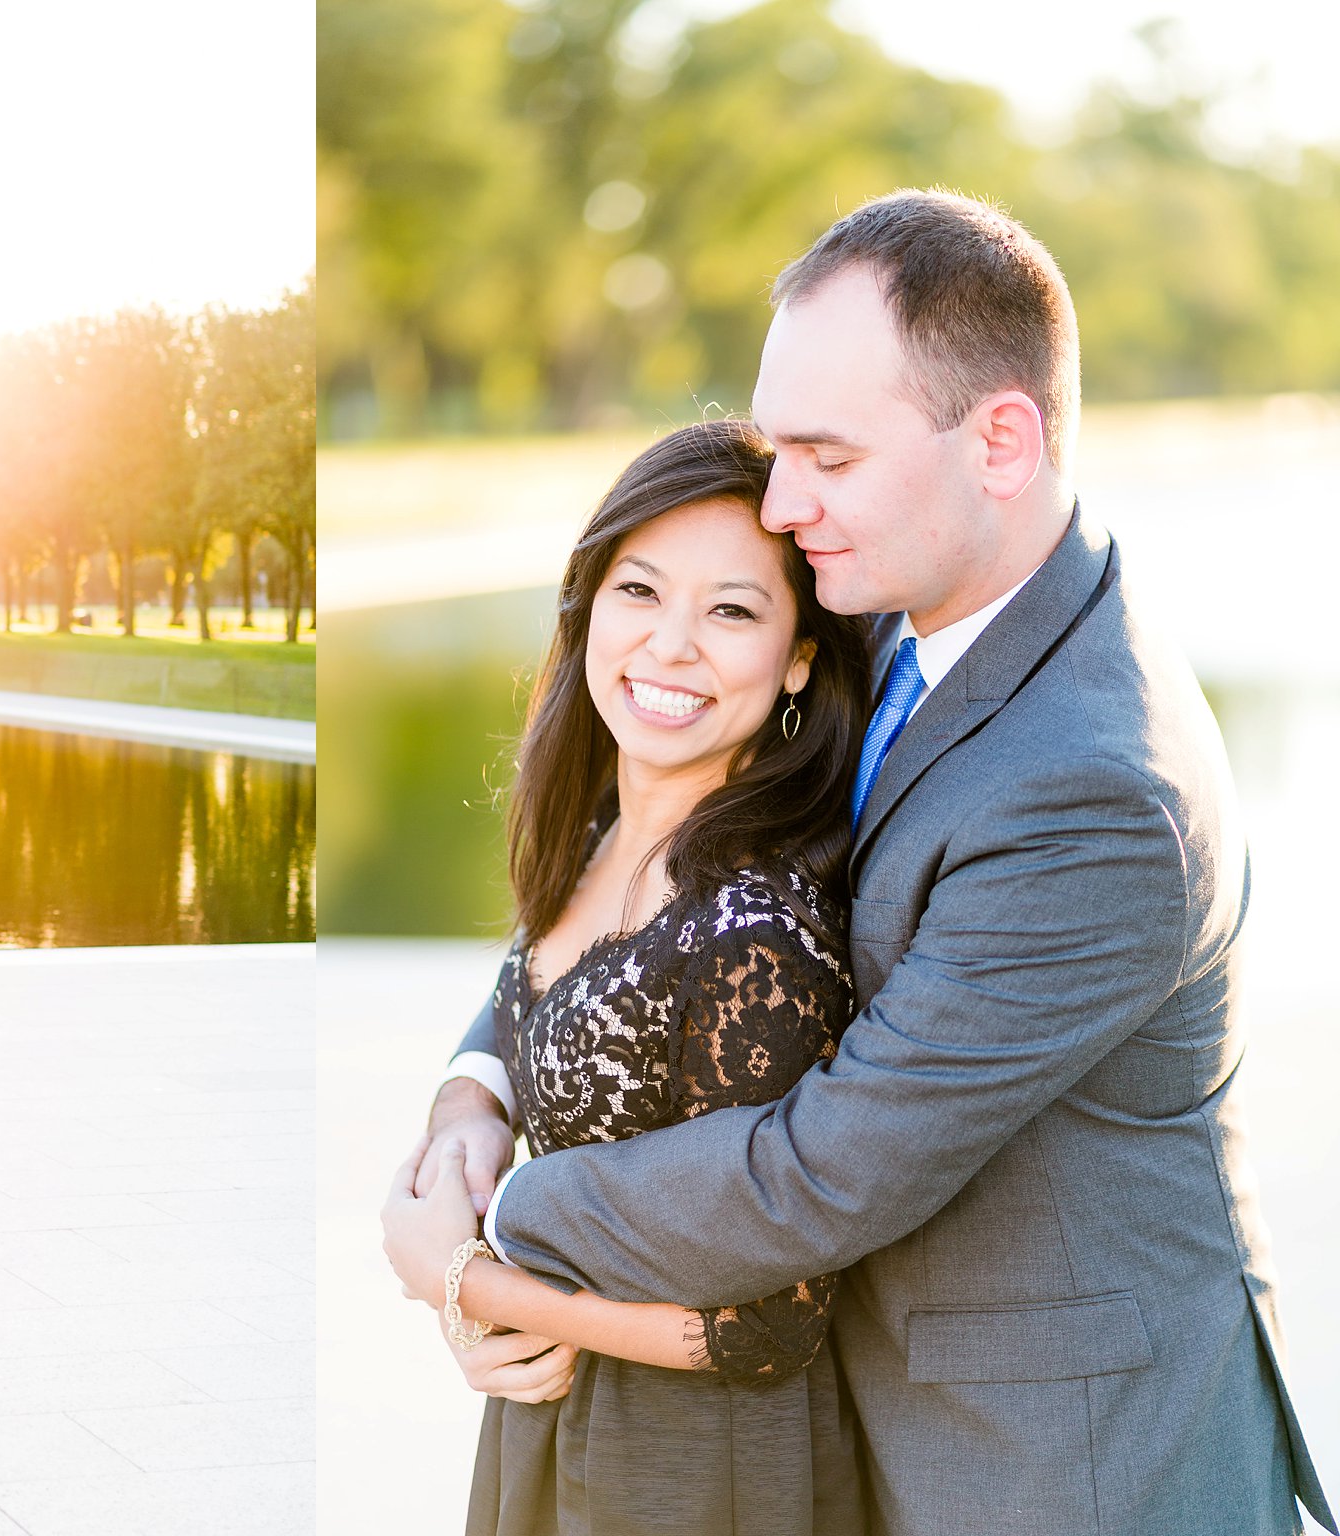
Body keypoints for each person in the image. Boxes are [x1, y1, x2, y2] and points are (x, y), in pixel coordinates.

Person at [398, 189, 1334, 1535]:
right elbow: (637, 903)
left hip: (1060, 1477)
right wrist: (472, 1096)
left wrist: (495, 1232)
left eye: (827, 458)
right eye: (780, 450)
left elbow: (822, 1172)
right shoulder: (901, 635)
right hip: (882, 1436)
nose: (784, 502)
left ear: (1000, 441)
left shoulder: (1097, 792)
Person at [381, 418, 874, 1535]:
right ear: (588, 602)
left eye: (732, 611)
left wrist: (464, 1281)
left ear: (799, 654)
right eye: (639, 591)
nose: (669, 646)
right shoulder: (602, 826)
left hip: (697, 1470)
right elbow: (527, 1001)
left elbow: (772, 1325)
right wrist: (467, 1106)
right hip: (563, 1421)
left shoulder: (754, 934)